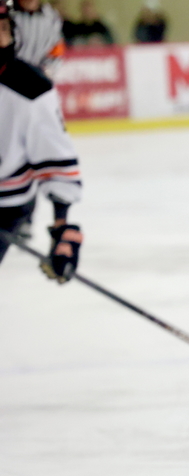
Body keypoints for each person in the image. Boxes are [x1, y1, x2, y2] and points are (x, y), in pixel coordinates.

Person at [0, 0, 84, 283]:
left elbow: (54, 161)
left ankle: (27, 219)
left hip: (6, 207)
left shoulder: (30, 89)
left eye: (4, 28)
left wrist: (63, 228)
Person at [10, 0, 64, 73]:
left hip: (39, 74)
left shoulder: (51, 16)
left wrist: (47, 70)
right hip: (10, 75)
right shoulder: (9, 17)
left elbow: (56, 49)